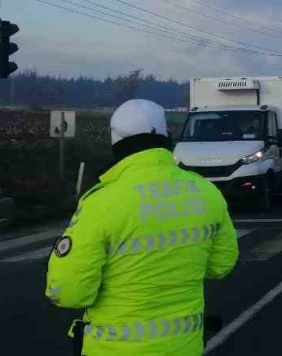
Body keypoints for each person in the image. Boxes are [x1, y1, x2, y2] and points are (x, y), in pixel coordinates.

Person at [46, 99, 239, 355]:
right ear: (165, 137)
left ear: (115, 141)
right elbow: (220, 266)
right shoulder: (206, 192)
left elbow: (68, 293)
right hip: (185, 347)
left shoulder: (102, 201)